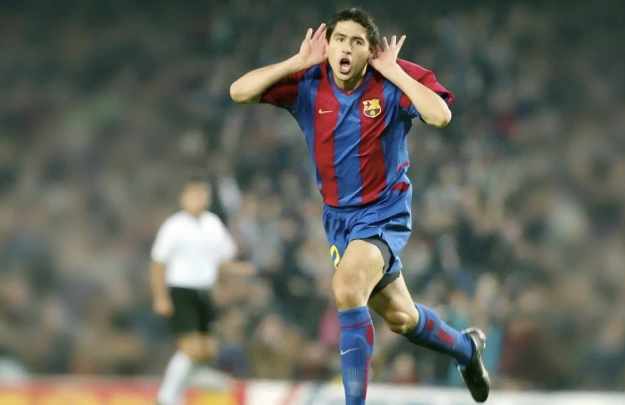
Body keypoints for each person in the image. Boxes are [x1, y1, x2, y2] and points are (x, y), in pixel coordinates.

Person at [229, 7, 490, 404]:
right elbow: (239, 91)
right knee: (402, 318)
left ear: (370, 50)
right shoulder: (308, 82)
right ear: (328, 46)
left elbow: (440, 116)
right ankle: (466, 350)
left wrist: (396, 72)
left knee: (347, 287)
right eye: (340, 40)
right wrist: (296, 62)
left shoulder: (390, 80)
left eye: (357, 42)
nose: (347, 48)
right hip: (339, 220)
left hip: (384, 212)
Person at [150, 174, 254, 405]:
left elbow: (222, 260)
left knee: (207, 350)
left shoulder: (212, 224)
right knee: (191, 348)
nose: (198, 198)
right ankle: (167, 397)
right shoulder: (174, 225)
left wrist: (241, 270)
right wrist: (160, 297)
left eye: (202, 194)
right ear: (183, 197)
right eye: (193, 194)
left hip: (205, 292)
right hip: (181, 290)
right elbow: (158, 263)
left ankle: (185, 387)